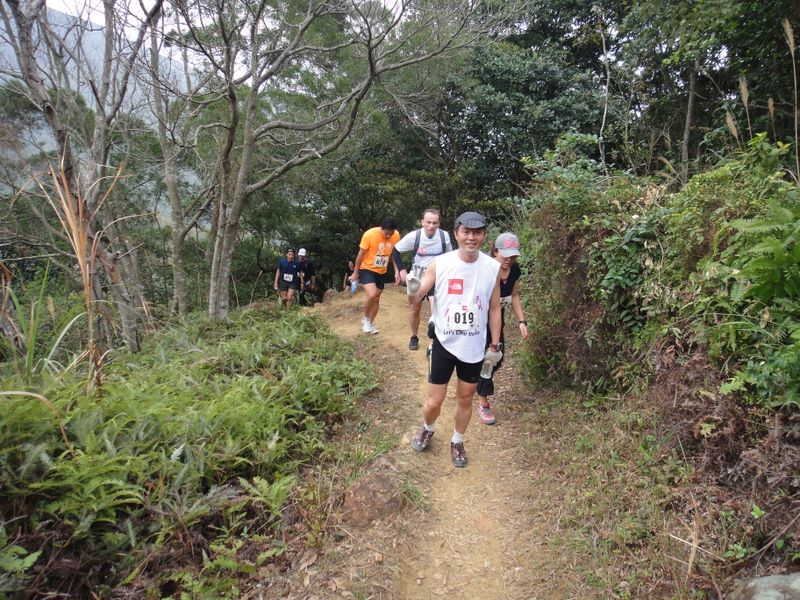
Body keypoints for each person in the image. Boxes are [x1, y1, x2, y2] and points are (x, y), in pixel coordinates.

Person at [408, 211, 502, 468]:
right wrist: (412, 289)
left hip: (474, 346)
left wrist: (495, 344)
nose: (471, 237)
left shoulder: (492, 268)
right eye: (466, 232)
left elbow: (495, 308)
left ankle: (457, 441)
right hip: (444, 342)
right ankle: (428, 428)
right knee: (433, 402)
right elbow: (417, 298)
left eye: (477, 233)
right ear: (456, 234)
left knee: (465, 398)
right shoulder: (440, 263)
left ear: (484, 235)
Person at [475, 232, 529, 425]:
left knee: (497, 358)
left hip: (497, 321)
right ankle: (483, 403)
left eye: (513, 256)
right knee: (488, 360)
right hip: (479, 322)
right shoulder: (484, 269)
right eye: (505, 255)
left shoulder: (514, 270)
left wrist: (522, 321)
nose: (509, 259)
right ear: (495, 251)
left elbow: (514, 295)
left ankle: (474, 380)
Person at [392, 208, 452, 351]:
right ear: (422, 222)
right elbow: (395, 250)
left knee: (436, 308)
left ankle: (435, 341)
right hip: (418, 275)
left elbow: (450, 256)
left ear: (439, 223)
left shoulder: (444, 236)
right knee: (414, 308)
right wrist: (401, 270)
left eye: (435, 223)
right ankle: (414, 336)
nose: (431, 226)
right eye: (428, 222)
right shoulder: (414, 236)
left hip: (437, 276)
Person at [351, 218, 402, 334]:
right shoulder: (369, 235)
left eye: (391, 233)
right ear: (381, 228)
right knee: (372, 294)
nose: (388, 236)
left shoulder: (396, 235)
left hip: (381, 271)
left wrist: (396, 271)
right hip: (367, 269)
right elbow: (360, 255)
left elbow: (395, 255)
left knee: (376, 298)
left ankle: (370, 323)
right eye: (386, 233)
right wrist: (355, 272)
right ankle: (365, 319)